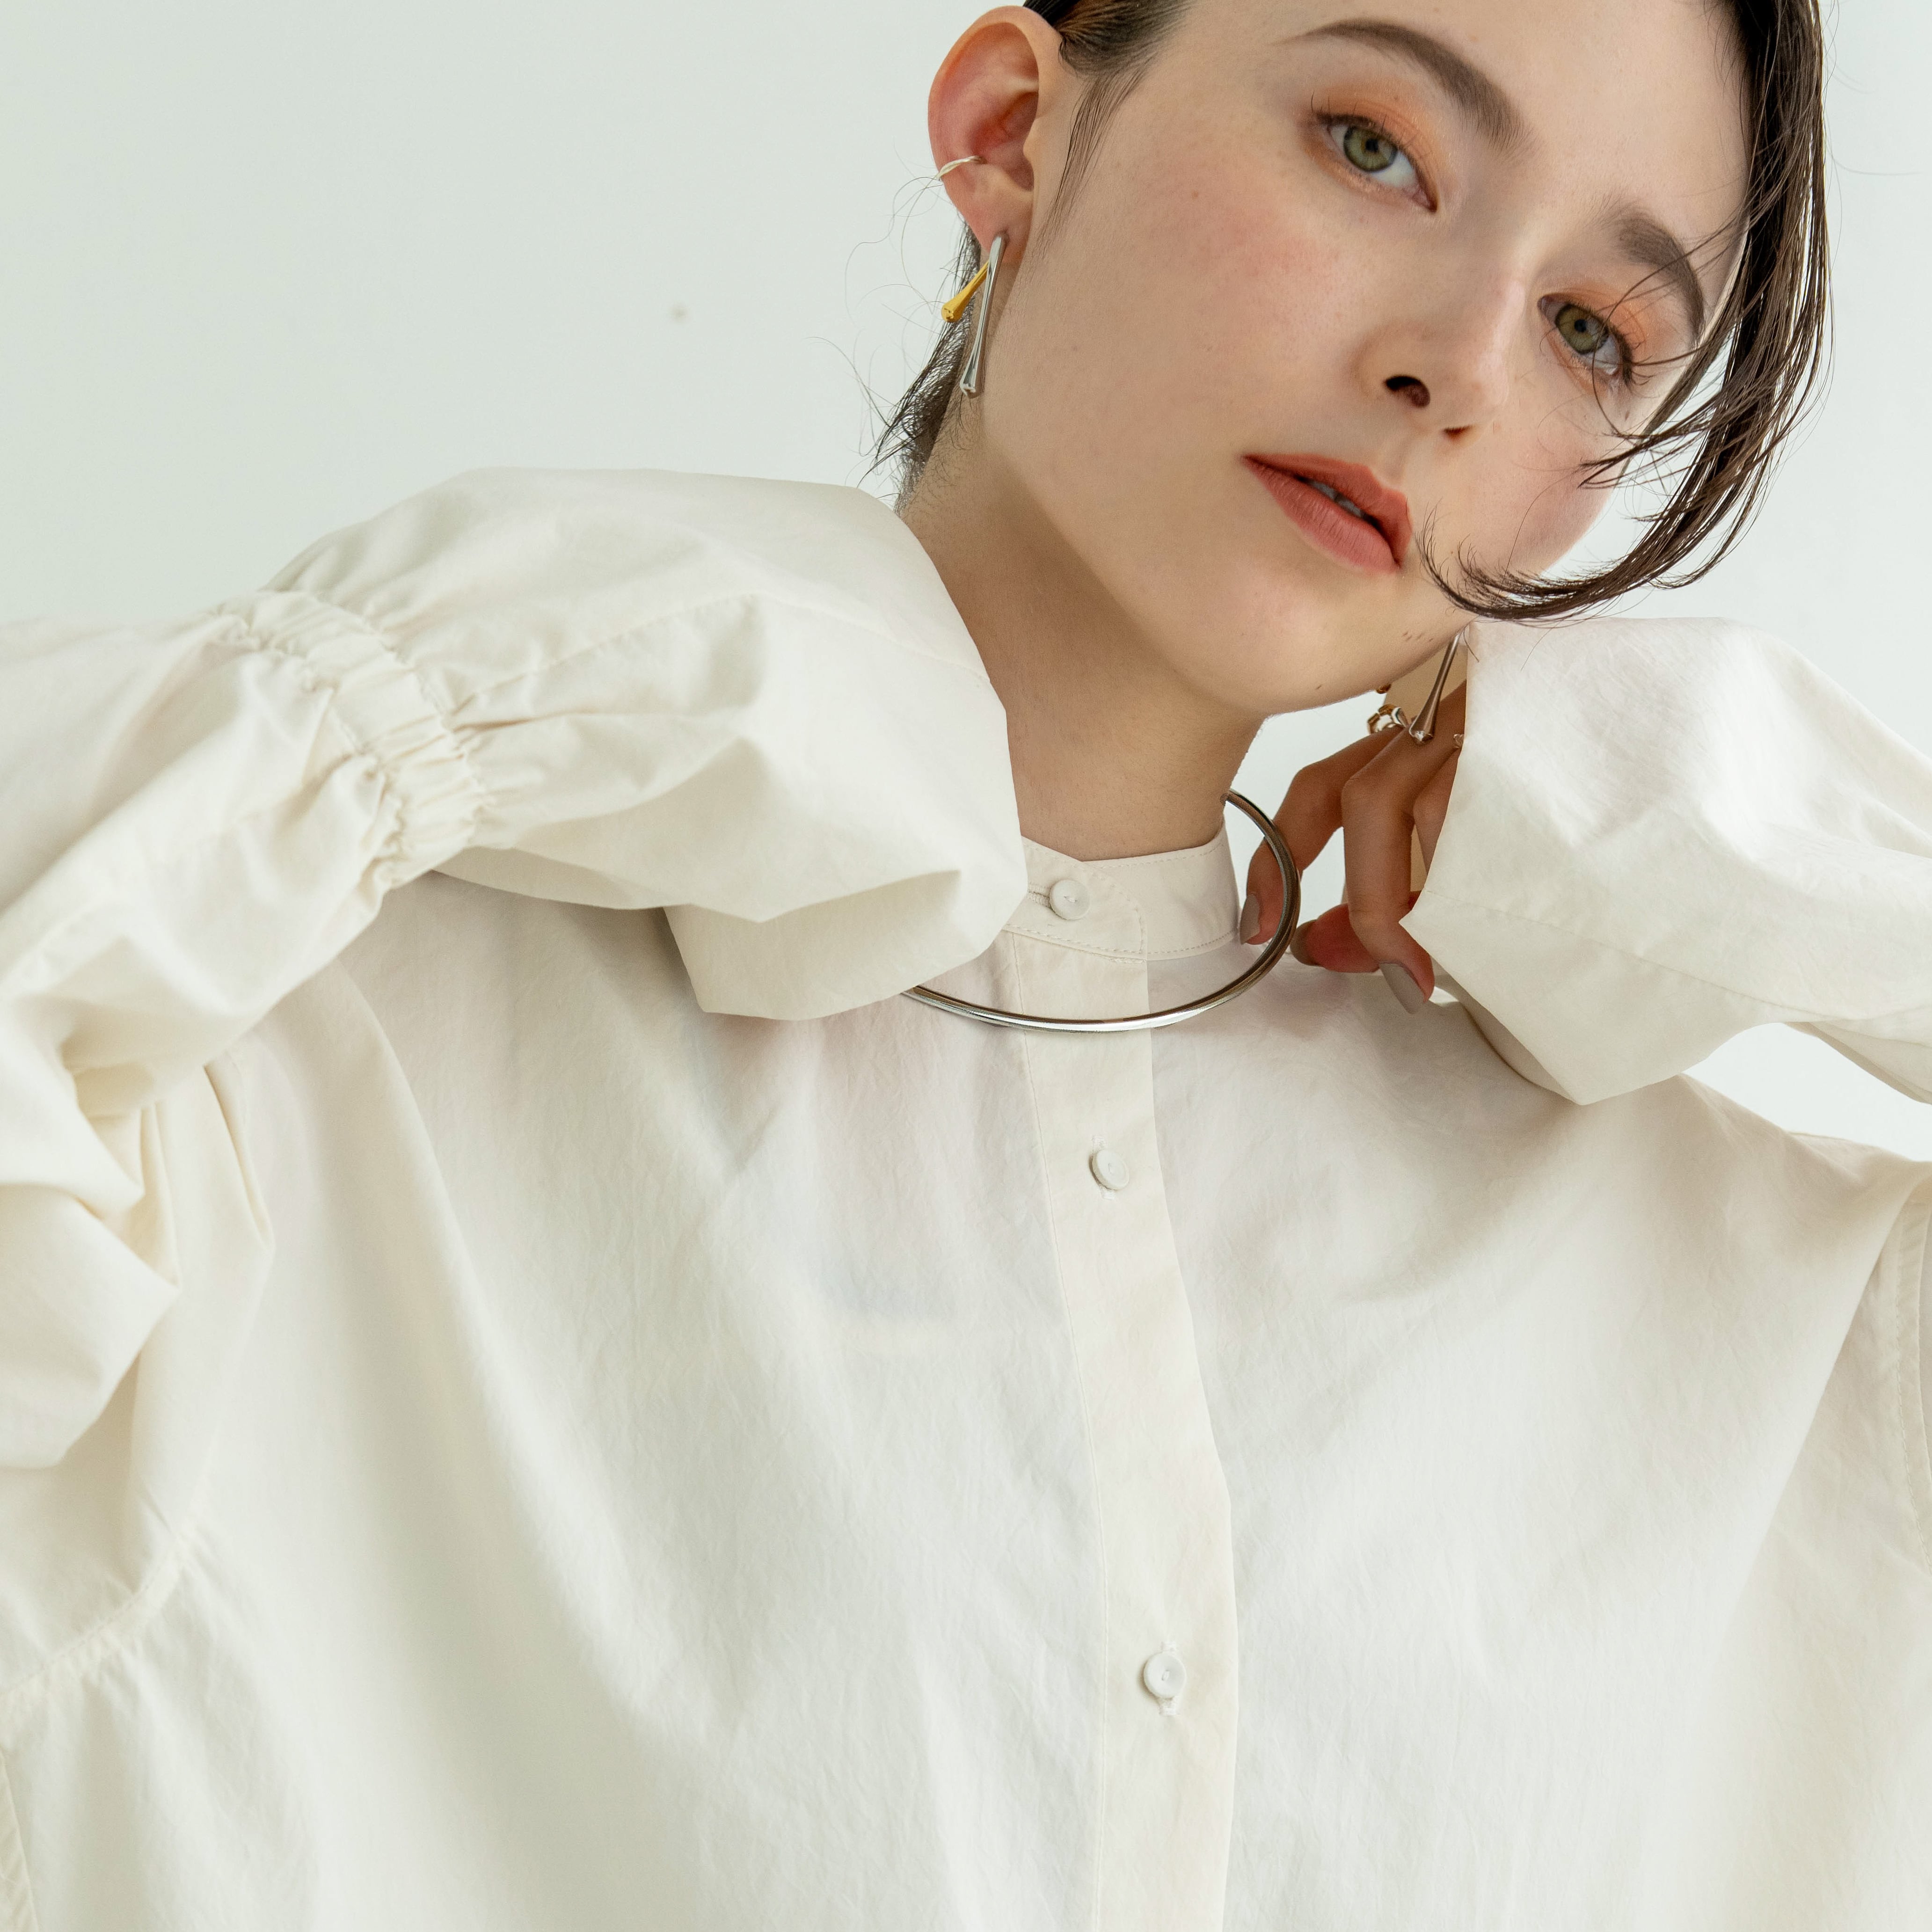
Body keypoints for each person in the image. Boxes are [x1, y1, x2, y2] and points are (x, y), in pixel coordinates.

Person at [0, 0, 1925, 1926]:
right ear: (1012, 126)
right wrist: (432, 706)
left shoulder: (1747, 1304)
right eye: (1374, 149)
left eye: (1591, 331)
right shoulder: (265, 1071)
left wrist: (1709, 803)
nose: (1460, 367)